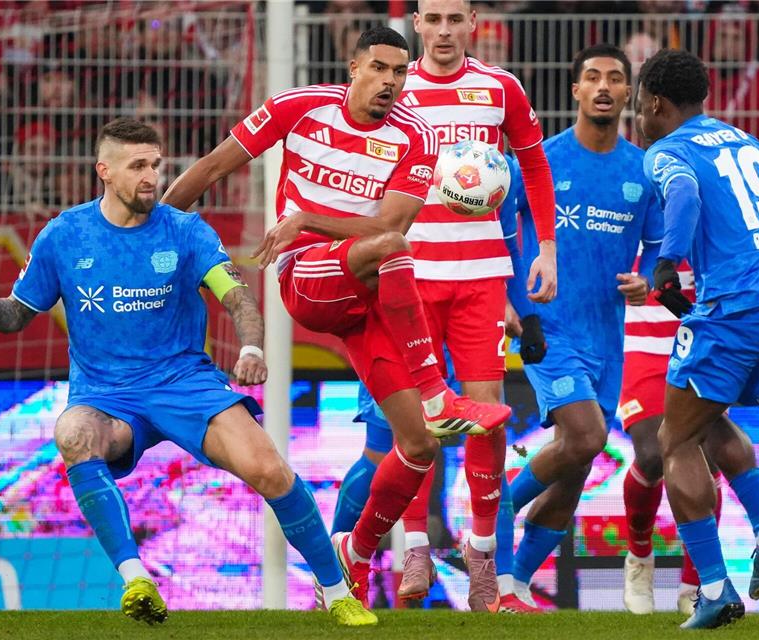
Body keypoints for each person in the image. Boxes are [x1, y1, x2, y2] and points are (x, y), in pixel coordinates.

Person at [0, 118, 376, 627]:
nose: (151, 177)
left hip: (186, 385)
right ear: (104, 171)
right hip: (106, 394)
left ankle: (336, 592)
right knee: (72, 433)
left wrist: (251, 347)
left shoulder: (185, 231)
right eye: (138, 166)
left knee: (270, 470)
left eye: (156, 165)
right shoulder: (64, 235)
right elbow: (15, 317)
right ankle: (137, 578)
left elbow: (237, 296)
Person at [161, 26, 511, 607]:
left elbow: (390, 224)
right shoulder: (299, 107)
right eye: (379, 68)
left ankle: (357, 553)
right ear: (354, 68)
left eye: (399, 72)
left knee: (418, 446)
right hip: (307, 278)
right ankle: (437, 393)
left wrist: (307, 218)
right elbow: (214, 167)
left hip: (364, 294)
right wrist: (150, 233)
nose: (390, 81)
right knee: (395, 253)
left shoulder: (417, 137)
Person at [636, 48, 759, 629]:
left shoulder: (667, 150)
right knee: (706, 420)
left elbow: (685, 194)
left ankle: (713, 590)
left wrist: (667, 262)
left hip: (738, 307)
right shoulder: (741, 139)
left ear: (654, 103)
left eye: (640, 101)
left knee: (673, 439)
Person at [394, 0, 557, 613]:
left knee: (486, 416)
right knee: (418, 418)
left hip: (482, 275)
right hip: (408, 272)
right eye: (433, 19)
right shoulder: (394, 87)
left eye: (454, 19)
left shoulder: (500, 87)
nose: (443, 31)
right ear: (417, 23)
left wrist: (547, 250)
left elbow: (534, 165)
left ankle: (483, 557)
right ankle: (414, 546)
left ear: (471, 24)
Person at [493, 43, 662, 612]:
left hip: (606, 338)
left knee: (575, 468)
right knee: (587, 437)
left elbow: (656, 247)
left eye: (615, 78)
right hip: (547, 327)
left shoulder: (642, 170)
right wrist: (509, 301)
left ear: (629, 93)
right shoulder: (540, 161)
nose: (603, 86)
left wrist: (646, 280)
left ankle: (514, 584)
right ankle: (491, 516)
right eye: (592, 77)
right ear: (576, 90)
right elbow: (498, 227)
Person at [619, 251, 724, 616]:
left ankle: (695, 585)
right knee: (651, 456)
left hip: (700, 347)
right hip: (641, 345)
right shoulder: (634, 213)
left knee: (708, 459)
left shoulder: (707, 216)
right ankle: (639, 559)